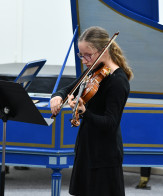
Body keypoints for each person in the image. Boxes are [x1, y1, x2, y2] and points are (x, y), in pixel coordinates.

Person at [50, 26, 133, 196]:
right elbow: (69, 88)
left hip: (104, 158)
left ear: (104, 50)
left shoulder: (117, 81)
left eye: (88, 55)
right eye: (81, 55)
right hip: (87, 149)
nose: (84, 60)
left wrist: (84, 112)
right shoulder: (94, 71)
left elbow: (110, 123)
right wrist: (57, 96)